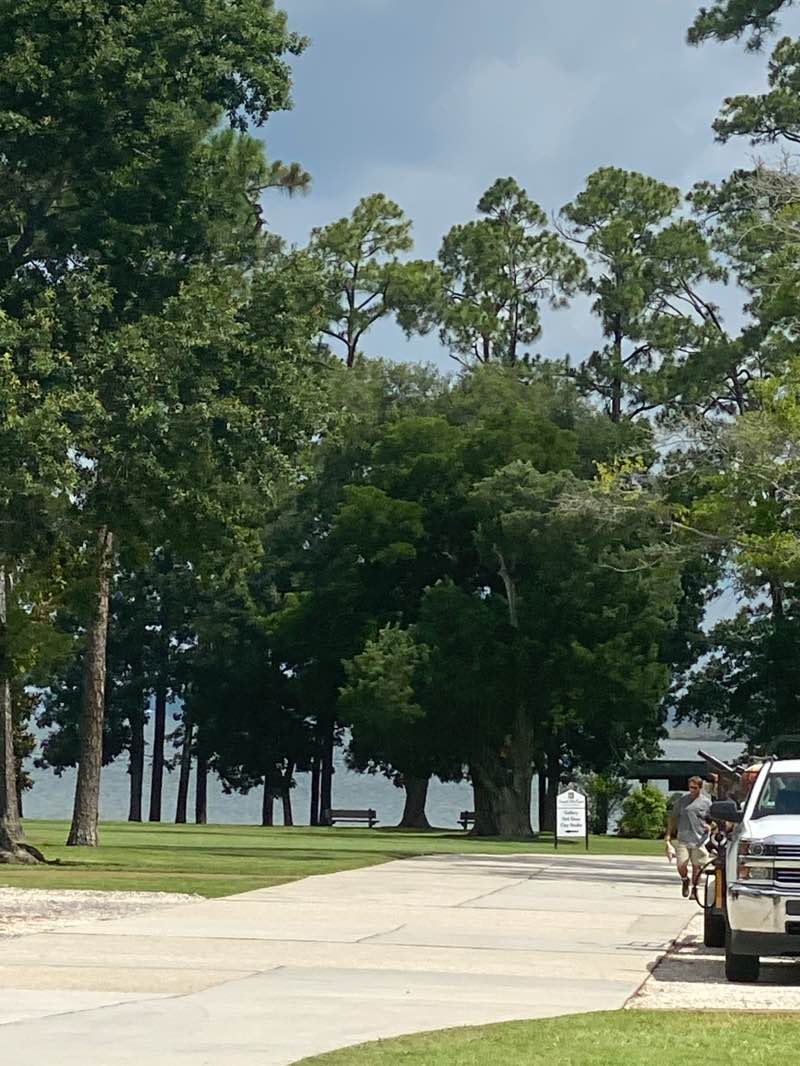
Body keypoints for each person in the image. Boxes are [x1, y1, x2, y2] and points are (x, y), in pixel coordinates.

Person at [665, 776, 712, 898]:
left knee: (697, 866)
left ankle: (694, 889)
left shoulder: (706, 802)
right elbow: (673, 818)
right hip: (683, 838)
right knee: (681, 864)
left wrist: (710, 826)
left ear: (700, 788)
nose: (692, 790)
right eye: (690, 787)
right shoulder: (682, 801)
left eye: (695, 788)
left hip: (699, 839)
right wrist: (668, 835)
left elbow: (713, 820)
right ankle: (685, 879)